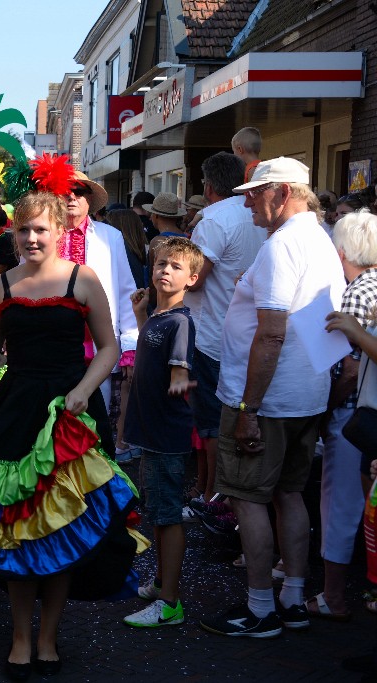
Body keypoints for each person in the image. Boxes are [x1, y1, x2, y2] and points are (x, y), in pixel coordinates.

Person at [0, 185, 141, 679]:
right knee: (18, 534)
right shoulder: (3, 285)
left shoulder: (82, 280)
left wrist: (85, 390)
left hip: (69, 419)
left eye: (40, 229)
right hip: (14, 415)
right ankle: (21, 638)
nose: (30, 237)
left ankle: (48, 638)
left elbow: (108, 348)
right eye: (22, 229)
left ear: (60, 232)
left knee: (62, 530)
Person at [200, 157, 346, 638]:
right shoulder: (320, 240)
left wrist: (248, 409)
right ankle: (293, 598)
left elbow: (271, 332)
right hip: (304, 395)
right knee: (288, 494)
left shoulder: (285, 244)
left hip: (271, 400)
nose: (246, 201)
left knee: (248, 498)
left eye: (255, 192)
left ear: (283, 193)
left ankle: (261, 608)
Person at [122, 237, 203, 628]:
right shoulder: (157, 317)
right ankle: (160, 583)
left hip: (166, 439)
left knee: (168, 517)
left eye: (174, 266)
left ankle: (170, 603)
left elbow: (179, 376)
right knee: (158, 512)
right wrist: (140, 316)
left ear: (192, 277)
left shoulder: (182, 322)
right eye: (160, 264)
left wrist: (180, 382)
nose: (165, 271)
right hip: (151, 436)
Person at [184, 152, 266, 510]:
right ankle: (225, 494)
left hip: (214, 335)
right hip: (259, 336)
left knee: (213, 424)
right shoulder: (261, 216)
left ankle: (213, 496)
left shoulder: (215, 218)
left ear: (209, 185)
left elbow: (196, 280)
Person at [310, 211, 377, 620]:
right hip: (366, 415)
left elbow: (348, 366)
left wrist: (326, 407)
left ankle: (333, 595)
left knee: (339, 503)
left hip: (355, 418)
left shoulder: (356, 291)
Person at [61, 169, 139, 415]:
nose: (71, 197)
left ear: (89, 200)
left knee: (98, 420)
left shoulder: (111, 237)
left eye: (79, 192)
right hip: (54, 343)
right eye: (65, 192)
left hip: (98, 345)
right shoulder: (42, 235)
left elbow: (126, 291)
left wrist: (129, 344)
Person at [106, 208, 149, 463]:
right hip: (132, 331)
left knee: (124, 391)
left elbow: (128, 300)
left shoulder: (124, 258)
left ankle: (122, 442)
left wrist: (129, 349)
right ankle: (125, 441)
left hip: (128, 333)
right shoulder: (137, 254)